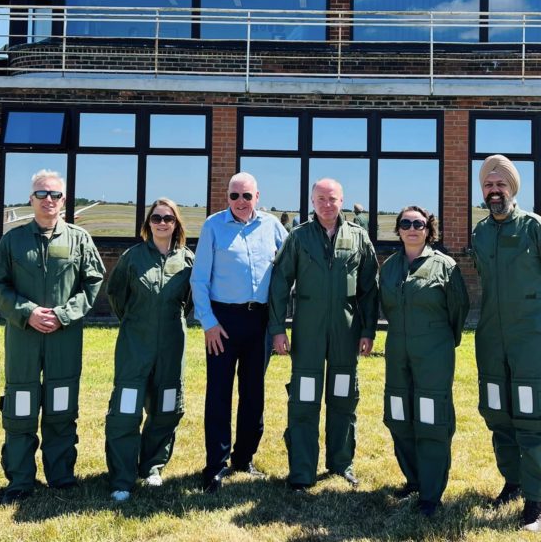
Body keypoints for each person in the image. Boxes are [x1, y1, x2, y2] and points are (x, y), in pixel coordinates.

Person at [0, 169, 105, 505]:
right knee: (21, 405)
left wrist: (64, 315)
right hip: (23, 337)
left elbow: (93, 282)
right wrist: (27, 313)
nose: (48, 200)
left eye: (54, 194)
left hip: (64, 338)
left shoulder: (79, 239)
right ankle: (21, 480)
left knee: (61, 406)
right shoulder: (14, 240)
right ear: (31, 199)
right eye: (41, 194)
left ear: (64, 200)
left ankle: (61, 477)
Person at [471, 155, 541, 533]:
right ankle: (512, 482)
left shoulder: (536, 229)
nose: (494, 191)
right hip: (492, 339)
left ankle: (535, 501)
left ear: (512, 189)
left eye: (500, 185)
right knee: (498, 411)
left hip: (530, 340)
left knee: (533, 416)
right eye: (488, 185)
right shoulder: (481, 233)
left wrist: (535, 315)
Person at [269, 178, 379, 490]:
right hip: (308, 332)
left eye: (332, 199)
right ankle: (302, 471)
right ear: (312, 201)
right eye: (321, 199)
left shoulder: (359, 238)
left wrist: (368, 330)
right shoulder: (299, 237)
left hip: (346, 332)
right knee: (304, 399)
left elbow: (370, 289)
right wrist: (278, 329)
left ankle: (340, 464)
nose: (327, 205)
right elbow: (279, 282)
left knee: (343, 397)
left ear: (341, 200)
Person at [191, 172, 288, 492]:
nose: (241, 202)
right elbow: (199, 280)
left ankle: (244, 458)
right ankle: (215, 466)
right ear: (227, 198)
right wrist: (208, 323)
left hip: (258, 322)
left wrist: (280, 322)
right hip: (223, 322)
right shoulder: (213, 227)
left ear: (257, 197)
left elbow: (288, 271)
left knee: (253, 393)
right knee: (219, 394)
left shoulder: (273, 227)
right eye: (235, 196)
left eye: (247, 196)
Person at [379, 206, 469, 517]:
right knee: (399, 414)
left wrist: (440, 341)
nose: (412, 228)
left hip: (434, 351)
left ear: (428, 229)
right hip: (397, 350)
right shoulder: (389, 268)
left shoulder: (445, 266)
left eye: (419, 223)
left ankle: (431, 494)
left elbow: (458, 310)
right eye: (406, 223)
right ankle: (414, 479)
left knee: (431, 418)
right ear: (399, 229)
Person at [105, 198, 194, 502]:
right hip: (135, 344)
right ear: (148, 223)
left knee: (167, 406)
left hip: (172, 345)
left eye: (168, 218)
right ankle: (122, 477)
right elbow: (116, 295)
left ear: (176, 224)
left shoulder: (187, 260)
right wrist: (136, 322)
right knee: (126, 409)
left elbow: (190, 301)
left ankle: (152, 466)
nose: (162, 223)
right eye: (156, 218)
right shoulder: (132, 258)